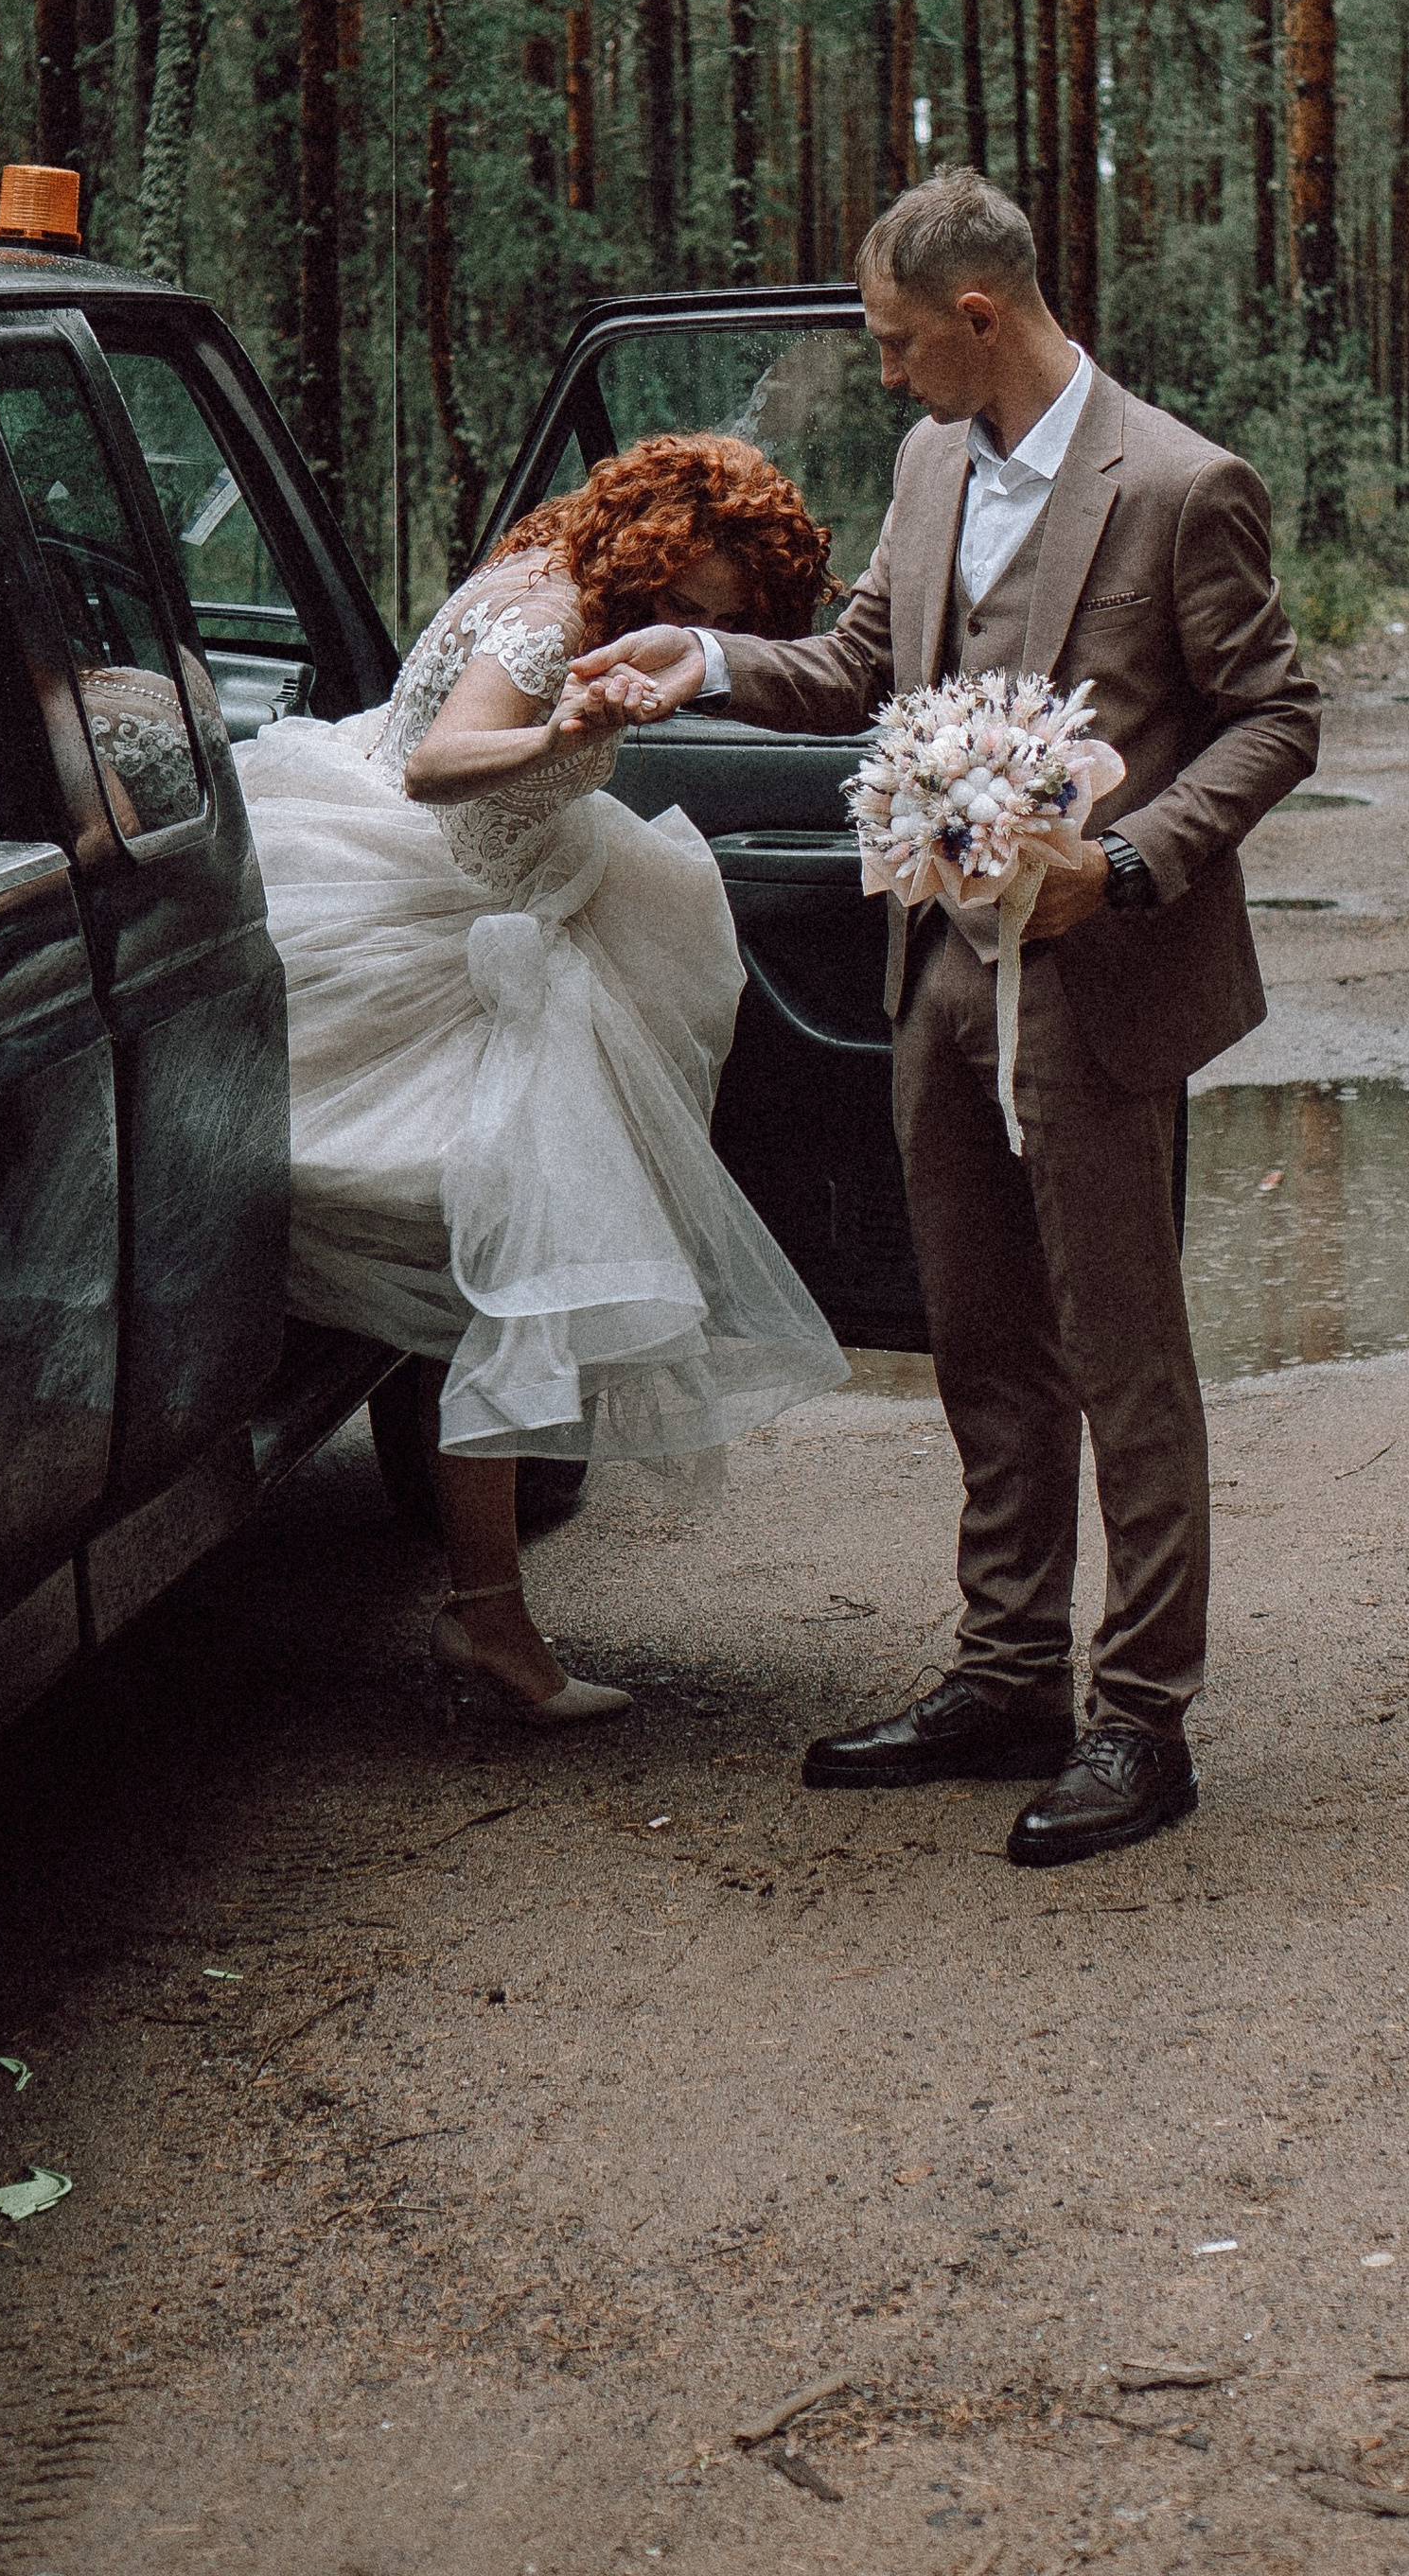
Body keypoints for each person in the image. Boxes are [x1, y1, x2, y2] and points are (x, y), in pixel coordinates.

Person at [578, 174, 1321, 1861]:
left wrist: (1121, 865)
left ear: (980, 317)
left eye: (902, 341)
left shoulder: (1180, 485)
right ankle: (1007, 1680)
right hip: (938, 977)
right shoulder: (931, 466)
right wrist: (703, 659)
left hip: (1099, 988)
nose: (888, 371)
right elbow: (862, 666)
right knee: (981, 1343)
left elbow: (1275, 719)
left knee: (1123, 1356)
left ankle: (1143, 1719)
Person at [235, 435, 849, 1724]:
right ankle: (486, 1617)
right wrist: (564, 731)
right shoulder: (555, 616)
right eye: (687, 598)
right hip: (446, 929)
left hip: (508, 892)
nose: (689, 627)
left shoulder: (559, 560)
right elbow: (438, 764)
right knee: (508, 1261)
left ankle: (484, 1601)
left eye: (721, 621)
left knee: (495, 1257)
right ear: (660, 541)